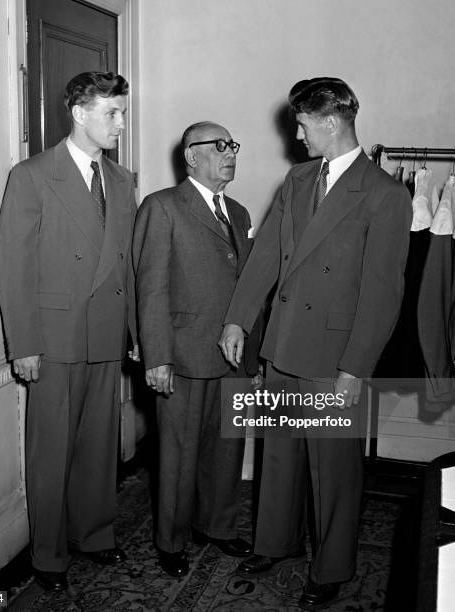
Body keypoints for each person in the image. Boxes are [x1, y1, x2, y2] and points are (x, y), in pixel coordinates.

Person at [219, 78, 412, 609]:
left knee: (333, 471)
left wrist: (356, 368)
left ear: (330, 122)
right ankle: (275, 542)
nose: (297, 135)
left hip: (333, 356)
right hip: (283, 344)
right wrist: (237, 319)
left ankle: (331, 568)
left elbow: (382, 295)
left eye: (302, 125)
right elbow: (265, 259)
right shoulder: (298, 179)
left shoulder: (385, 195)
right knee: (278, 458)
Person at [0, 71, 138, 591]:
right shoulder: (32, 175)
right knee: (51, 451)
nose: (121, 123)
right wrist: (25, 345)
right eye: (112, 113)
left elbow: (126, 266)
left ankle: (96, 535)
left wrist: (137, 331)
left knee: (99, 446)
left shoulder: (122, 181)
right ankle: (49, 555)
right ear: (79, 113)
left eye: (122, 112)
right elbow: (13, 268)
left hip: (105, 331)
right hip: (53, 339)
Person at [132, 121, 259, 578]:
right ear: (191, 156)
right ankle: (172, 540)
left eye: (233, 145)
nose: (230, 153)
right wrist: (158, 356)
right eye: (220, 146)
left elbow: (247, 285)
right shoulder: (162, 207)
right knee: (178, 455)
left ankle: (218, 527)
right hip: (182, 355)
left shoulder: (240, 213)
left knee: (226, 447)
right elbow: (150, 289)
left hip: (234, 356)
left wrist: (253, 352)